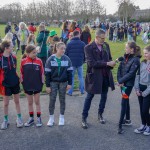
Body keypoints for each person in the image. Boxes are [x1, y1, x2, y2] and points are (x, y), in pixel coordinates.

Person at [81, 29, 116, 129]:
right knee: (89, 96)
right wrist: (107, 63)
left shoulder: (106, 45)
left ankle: (100, 114)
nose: (104, 40)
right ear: (96, 37)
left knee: (104, 96)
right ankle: (84, 117)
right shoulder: (88, 47)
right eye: (102, 38)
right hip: (94, 76)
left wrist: (111, 62)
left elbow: (109, 57)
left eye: (105, 38)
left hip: (105, 75)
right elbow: (91, 63)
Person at [45, 42, 73, 126]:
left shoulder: (67, 59)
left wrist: (70, 83)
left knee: (62, 100)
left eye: (64, 49)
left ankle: (61, 117)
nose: (63, 50)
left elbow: (70, 72)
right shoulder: (50, 59)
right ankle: (51, 118)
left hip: (63, 83)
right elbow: (47, 74)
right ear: (56, 48)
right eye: (61, 48)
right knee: (52, 100)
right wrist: (47, 86)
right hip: (53, 82)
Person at [117, 42, 140, 134]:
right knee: (126, 101)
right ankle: (128, 120)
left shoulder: (136, 60)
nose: (125, 49)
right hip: (122, 84)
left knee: (124, 102)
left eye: (126, 47)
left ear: (132, 49)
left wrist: (121, 81)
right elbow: (119, 69)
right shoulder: (124, 57)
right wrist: (120, 80)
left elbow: (131, 74)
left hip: (128, 85)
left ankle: (119, 125)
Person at [0, 40, 23, 130]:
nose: (13, 47)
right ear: (6, 48)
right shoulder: (1, 59)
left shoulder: (14, 57)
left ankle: (19, 118)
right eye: (12, 46)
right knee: (6, 103)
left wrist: (19, 78)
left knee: (17, 101)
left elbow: (15, 70)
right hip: (6, 84)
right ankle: (6, 120)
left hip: (15, 83)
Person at [20, 45, 44, 127]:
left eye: (36, 52)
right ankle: (31, 118)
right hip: (27, 84)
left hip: (37, 84)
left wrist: (42, 82)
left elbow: (42, 72)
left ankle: (39, 118)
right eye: (33, 53)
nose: (35, 54)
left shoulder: (39, 61)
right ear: (27, 53)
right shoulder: (23, 61)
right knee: (30, 102)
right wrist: (22, 81)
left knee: (37, 102)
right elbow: (21, 73)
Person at [134, 45, 150, 136]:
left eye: (146, 53)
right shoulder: (142, 63)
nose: (145, 55)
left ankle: (149, 125)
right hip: (140, 88)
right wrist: (137, 89)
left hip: (147, 90)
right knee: (141, 109)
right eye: (144, 53)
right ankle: (143, 124)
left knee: (145, 110)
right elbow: (138, 76)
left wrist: (144, 93)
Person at [65, 30, 85, 96]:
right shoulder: (82, 43)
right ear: (78, 34)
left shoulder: (69, 43)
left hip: (71, 63)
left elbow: (66, 54)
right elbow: (85, 54)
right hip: (80, 62)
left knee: (71, 77)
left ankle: (70, 91)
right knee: (81, 77)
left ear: (73, 35)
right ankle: (82, 90)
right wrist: (83, 60)